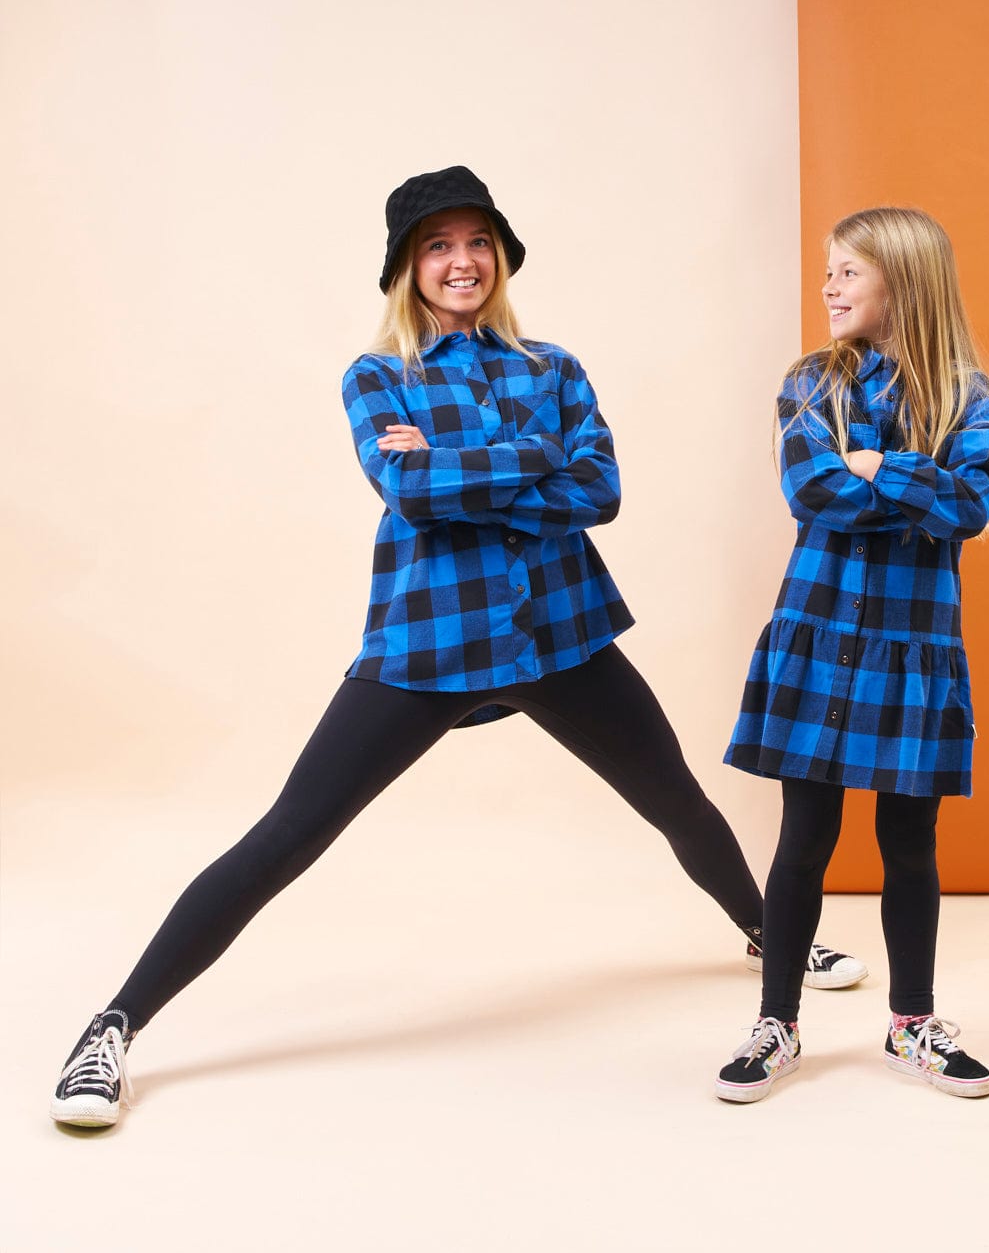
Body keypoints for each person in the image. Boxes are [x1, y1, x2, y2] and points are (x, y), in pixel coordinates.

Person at [51, 166, 865, 1128]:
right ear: (408, 267)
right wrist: (528, 459)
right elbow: (408, 495)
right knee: (288, 835)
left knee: (676, 798)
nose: (461, 261)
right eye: (438, 246)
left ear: (501, 258)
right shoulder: (374, 376)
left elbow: (597, 491)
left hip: (562, 632)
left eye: (477, 242)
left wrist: (455, 466)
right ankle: (112, 1027)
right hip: (430, 642)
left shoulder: (553, 366)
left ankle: (769, 932)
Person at [714, 207, 989, 1104]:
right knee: (804, 839)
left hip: (913, 652)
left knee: (908, 842)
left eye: (847, 272)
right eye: (828, 271)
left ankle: (912, 1025)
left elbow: (969, 508)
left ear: (902, 280)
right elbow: (813, 490)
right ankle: (778, 1022)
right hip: (822, 643)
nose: (828, 286)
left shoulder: (974, 399)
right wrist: (906, 481)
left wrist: (883, 465)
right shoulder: (811, 383)